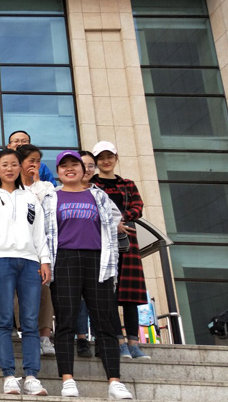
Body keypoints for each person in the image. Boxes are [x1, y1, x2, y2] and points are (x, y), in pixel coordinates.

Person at [42, 151, 133, 400]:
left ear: (84, 170)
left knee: (105, 322)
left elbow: (114, 222)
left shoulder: (98, 195)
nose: (69, 169)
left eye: (75, 165)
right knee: (66, 322)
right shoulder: (50, 197)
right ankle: (67, 379)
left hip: (98, 262)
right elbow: (43, 233)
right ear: (58, 172)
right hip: (64, 261)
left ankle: (115, 381)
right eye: (64, 166)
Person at [0, 149, 51, 396]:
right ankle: (9, 375)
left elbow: (39, 232)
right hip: (0, 261)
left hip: (30, 262)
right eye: (4, 165)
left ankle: (31, 376)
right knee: (4, 320)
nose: (9, 169)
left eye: (14, 164)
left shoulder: (30, 197)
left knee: (30, 321)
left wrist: (44, 260)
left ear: (20, 168)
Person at [90, 141, 150, 361]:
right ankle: (119, 342)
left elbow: (138, 207)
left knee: (130, 295)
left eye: (110, 156)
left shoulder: (128, 184)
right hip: (103, 242)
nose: (106, 161)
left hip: (128, 241)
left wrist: (120, 219)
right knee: (109, 294)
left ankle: (134, 343)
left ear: (116, 158)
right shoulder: (92, 185)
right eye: (101, 158)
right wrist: (111, 222)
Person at [17, 144, 57, 357]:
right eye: (30, 160)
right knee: (17, 294)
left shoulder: (47, 187)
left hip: (41, 249)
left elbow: (49, 212)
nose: (34, 164)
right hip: (17, 248)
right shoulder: (11, 188)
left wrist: (36, 182)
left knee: (44, 291)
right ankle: (26, 334)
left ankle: (45, 336)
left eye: (38, 161)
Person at [76, 150, 99, 358]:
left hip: (96, 253)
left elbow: (112, 219)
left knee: (96, 298)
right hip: (69, 254)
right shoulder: (57, 193)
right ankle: (81, 338)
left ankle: (101, 338)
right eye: (82, 165)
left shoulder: (100, 194)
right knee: (78, 299)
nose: (86, 169)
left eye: (90, 165)